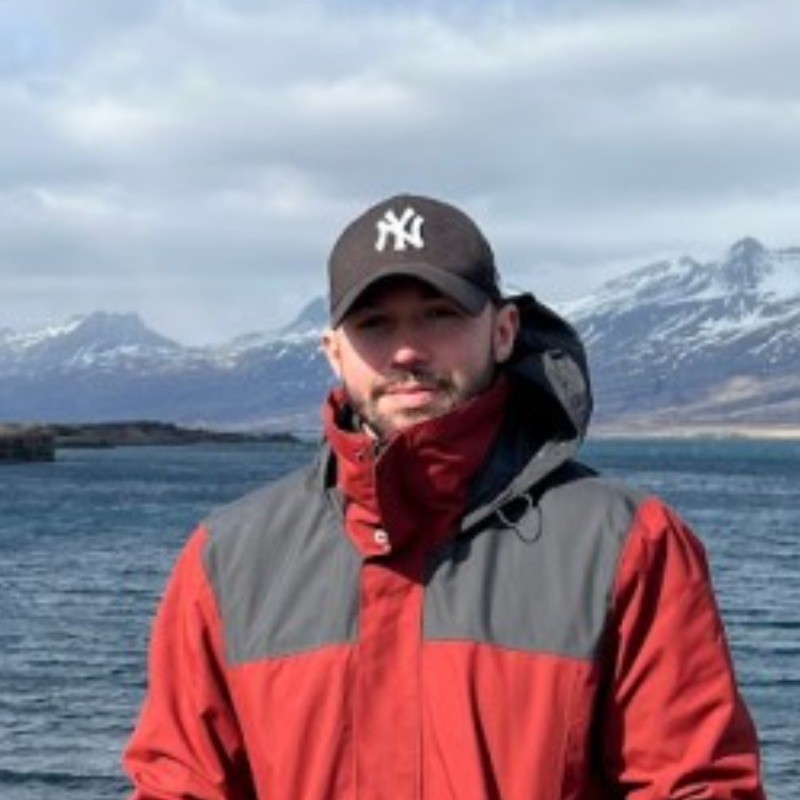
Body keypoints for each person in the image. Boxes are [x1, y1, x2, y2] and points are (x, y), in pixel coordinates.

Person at [124, 194, 765, 799]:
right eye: (374, 323)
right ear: (334, 351)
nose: (407, 349)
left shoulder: (627, 544)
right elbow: (179, 785)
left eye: (440, 314)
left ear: (504, 330)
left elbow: (696, 785)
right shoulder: (229, 560)